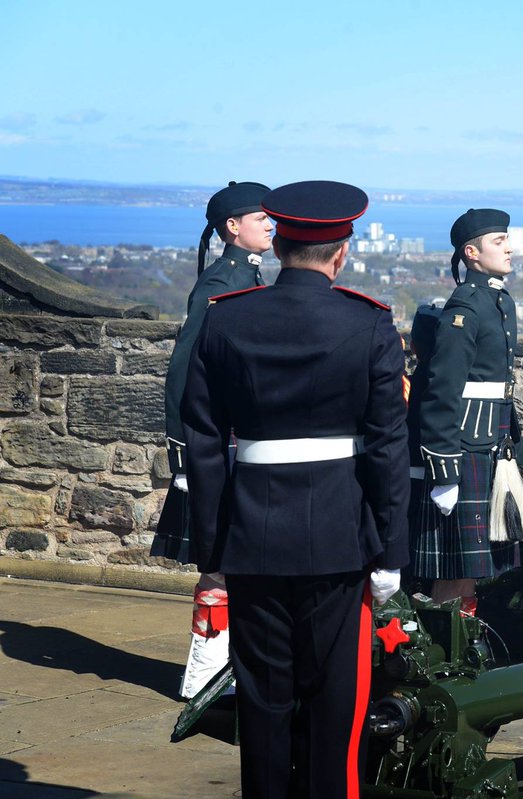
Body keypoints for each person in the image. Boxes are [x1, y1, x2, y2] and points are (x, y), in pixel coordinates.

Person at [181, 180, 409, 798]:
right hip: (339, 536)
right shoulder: (369, 323)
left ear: (279, 243)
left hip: (252, 536)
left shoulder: (227, 317)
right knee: (335, 705)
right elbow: (388, 448)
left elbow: (202, 442)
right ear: (342, 252)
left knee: (262, 700)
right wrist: (390, 553)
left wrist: (213, 548)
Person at [411, 208, 523, 610]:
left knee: (470, 572)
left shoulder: (496, 301)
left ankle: (463, 645)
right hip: (466, 446)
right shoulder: (466, 307)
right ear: (471, 253)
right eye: (499, 242)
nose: (510, 248)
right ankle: (445, 652)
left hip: (491, 440)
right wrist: (444, 472)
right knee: (455, 572)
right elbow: (443, 390)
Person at [152, 179, 273, 699]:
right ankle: (202, 674)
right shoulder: (218, 284)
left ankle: (232, 672)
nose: (270, 224)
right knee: (220, 564)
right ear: (232, 227)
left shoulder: (251, 280)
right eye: (260, 217)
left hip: (245, 439)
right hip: (219, 442)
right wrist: (183, 452)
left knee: (244, 560)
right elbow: (182, 371)